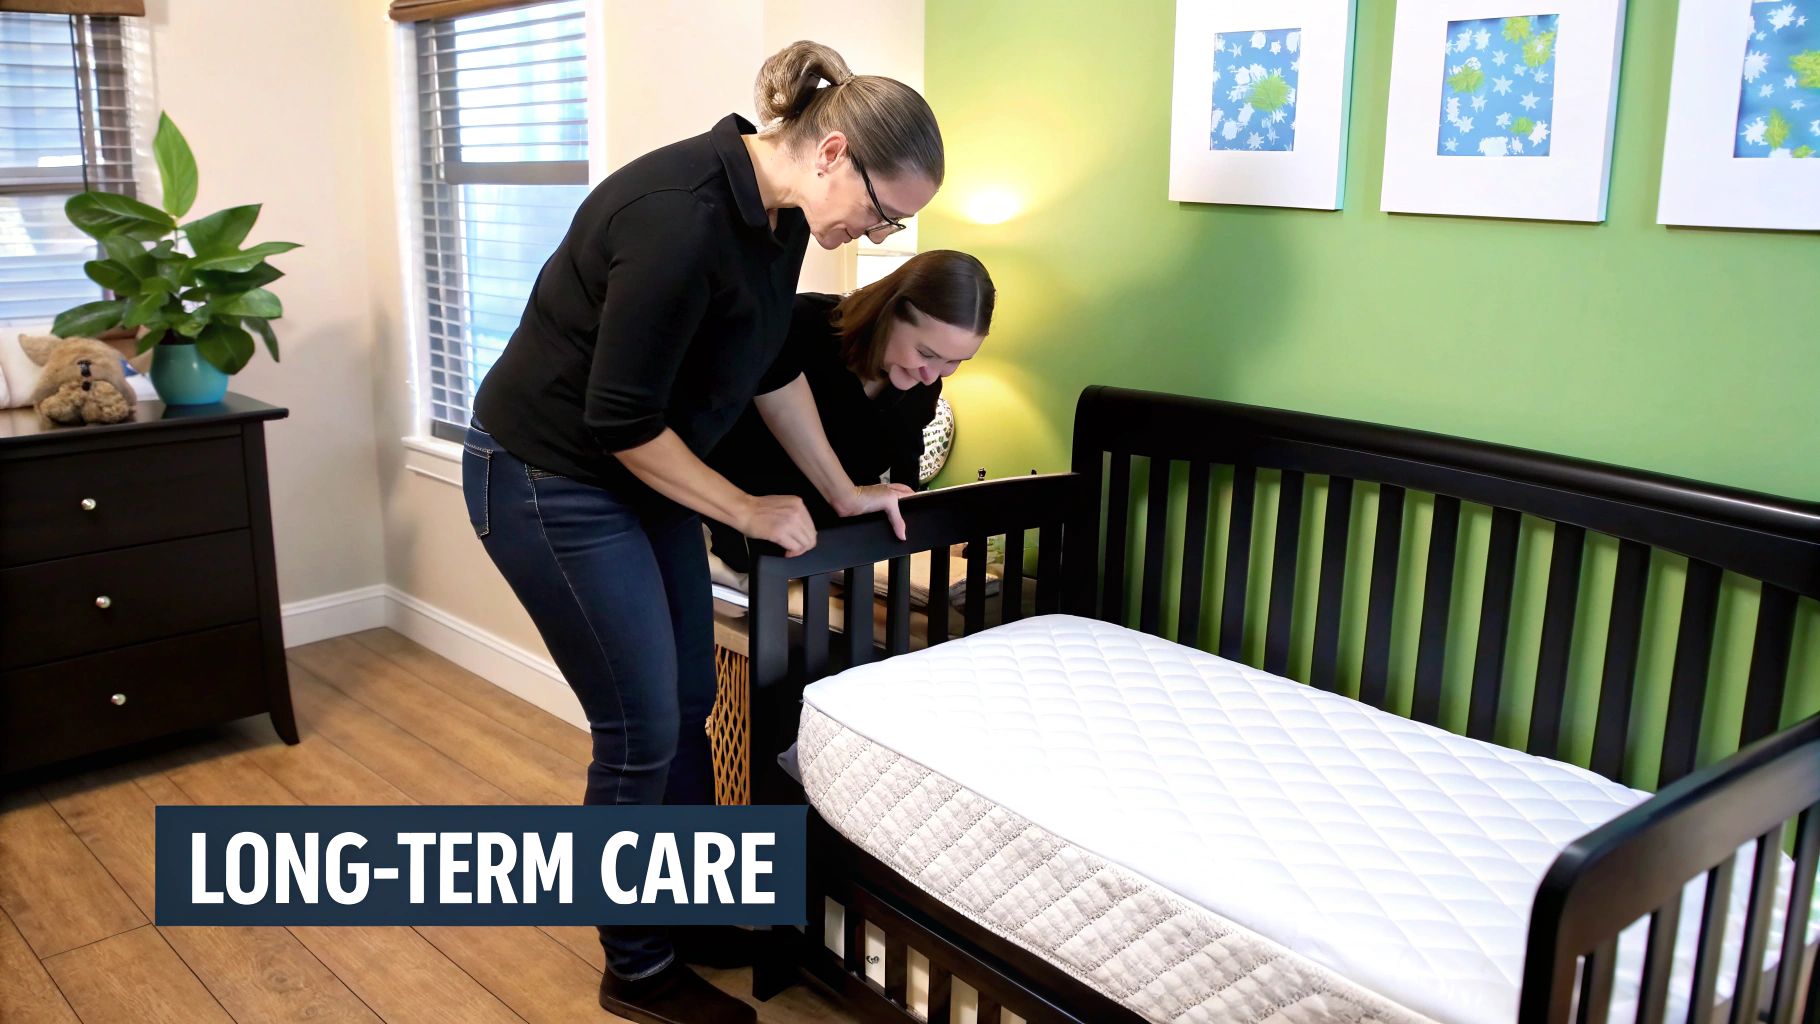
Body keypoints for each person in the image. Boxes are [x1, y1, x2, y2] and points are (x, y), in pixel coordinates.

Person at [459, 39, 943, 1024]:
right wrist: (746, 506)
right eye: (886, 210)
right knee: (641, 726)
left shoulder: (778, 219)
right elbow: (621, 421)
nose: (882, 233)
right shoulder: (678, 218)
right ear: (833, 152)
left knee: (685, 702)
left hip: (641, 475)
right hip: (550, 478)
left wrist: (839, 488)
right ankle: (635, 968)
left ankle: (676, 907)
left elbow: (766, 367)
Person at [705, 250, 994, 576]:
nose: (933, 375)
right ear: (889, 312)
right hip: (732, 535)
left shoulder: (922, 388)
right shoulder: (801, 325)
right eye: (926, 353)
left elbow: (903, 482)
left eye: (955, 362)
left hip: (830, 554)